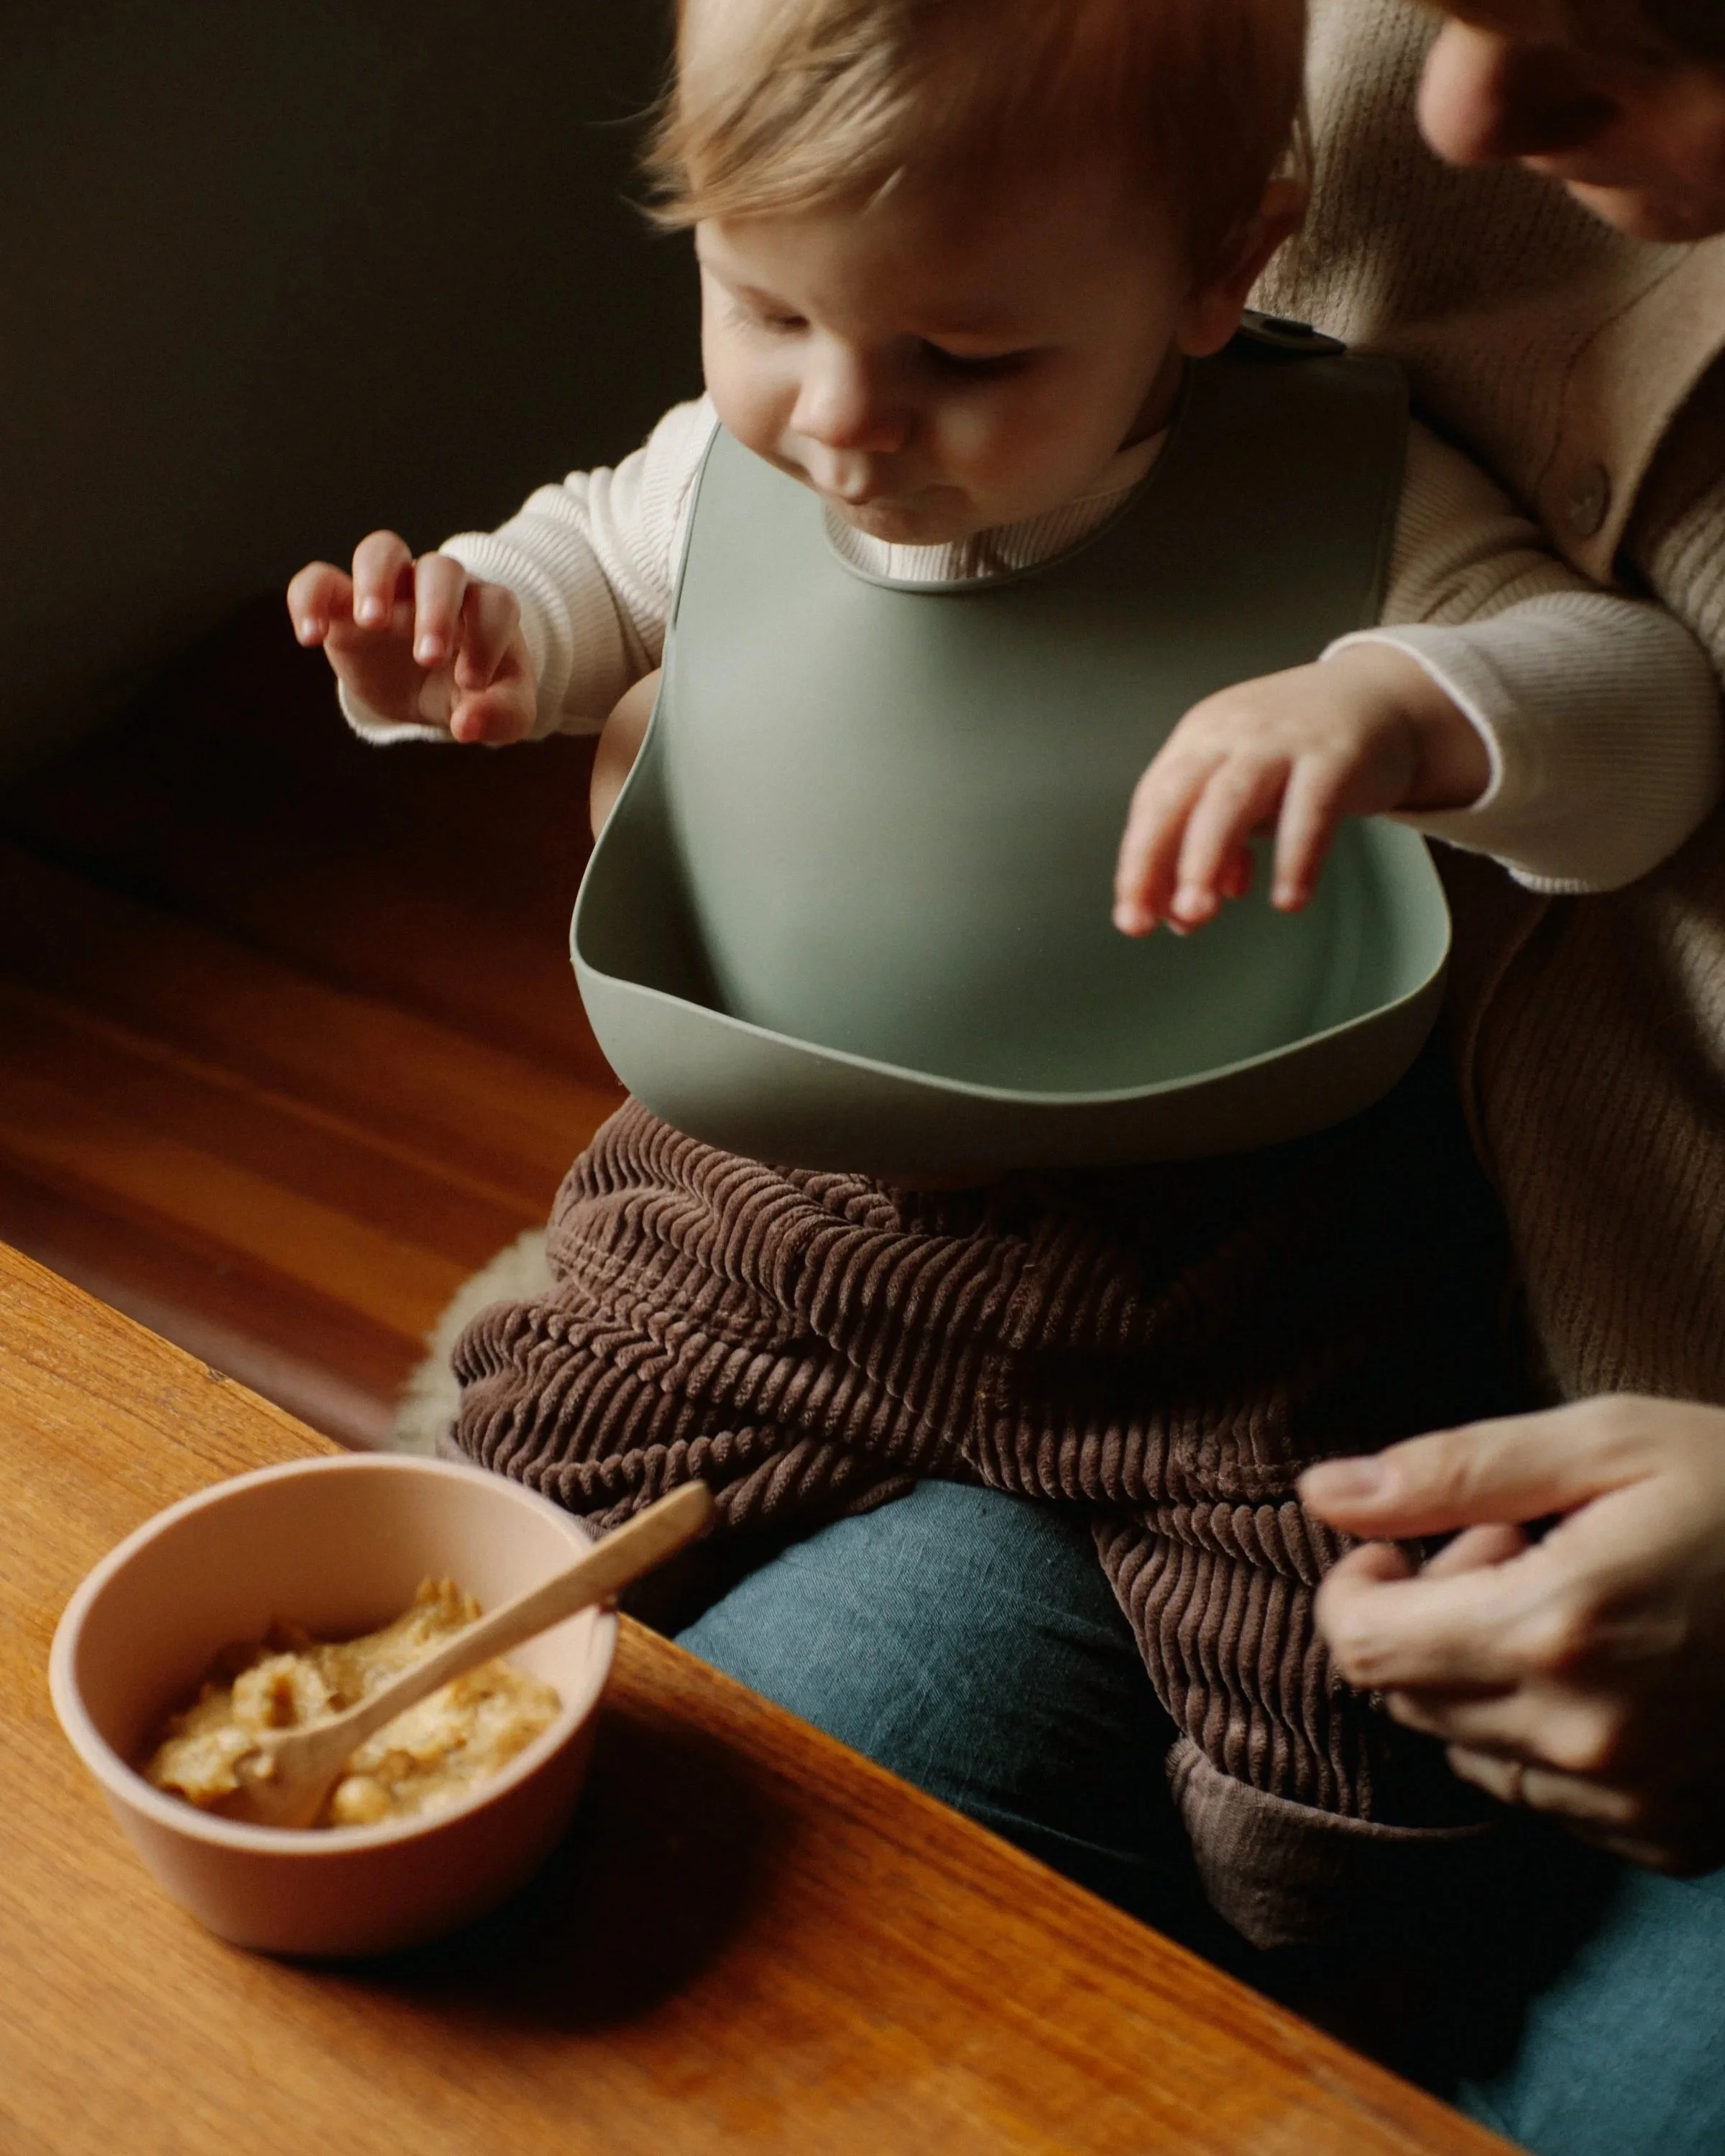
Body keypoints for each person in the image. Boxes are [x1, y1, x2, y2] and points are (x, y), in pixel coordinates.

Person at [289, 0, 1723, 2145]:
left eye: (967, 357)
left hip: (1222, 1286)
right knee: (523, 1511)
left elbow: (1644, 723)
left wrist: (1415, 708)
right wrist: (475, 635)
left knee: (1337, 1749)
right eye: (768, 307)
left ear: (1223, 272)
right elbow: (591, 556)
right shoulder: (748, 453)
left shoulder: (1339, 492)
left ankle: (1352, 1967)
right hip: (778, 1215)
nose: (844, 423)